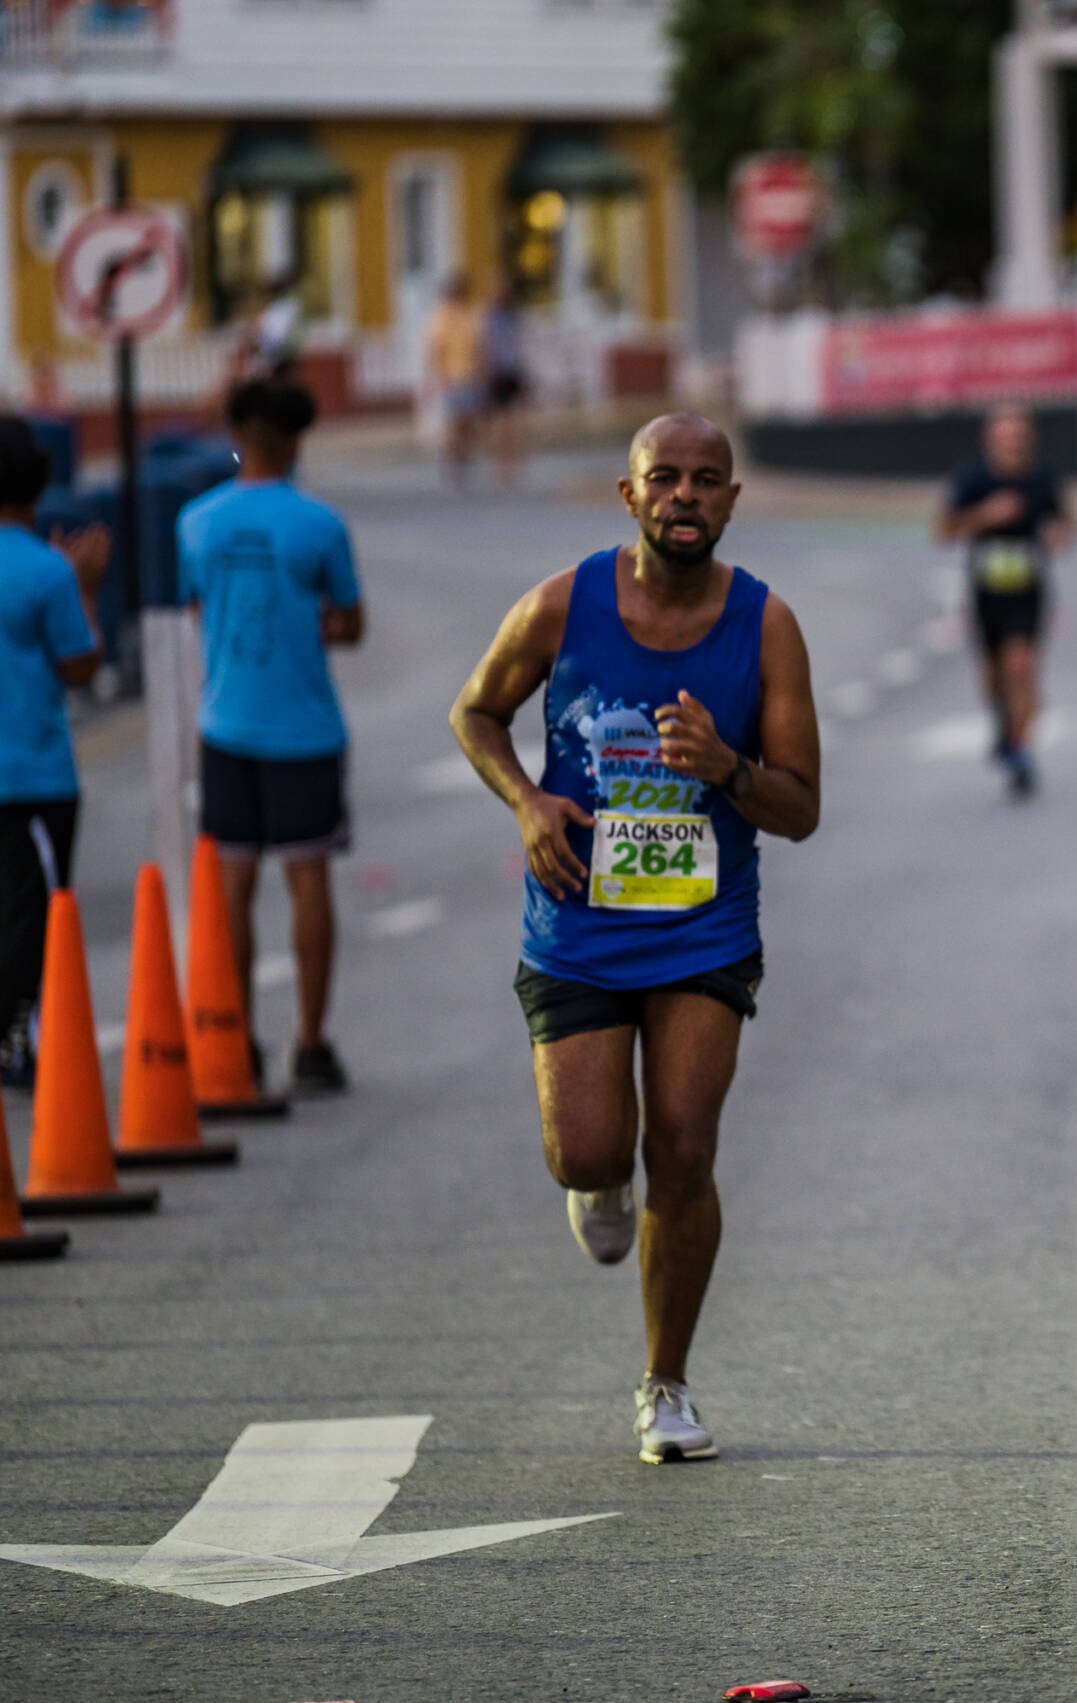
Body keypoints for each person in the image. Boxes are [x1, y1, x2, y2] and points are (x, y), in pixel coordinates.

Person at [448, 414, 821, 1464]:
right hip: (576, 920)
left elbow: (801, 806)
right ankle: (600, 1177)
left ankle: (666, 1381)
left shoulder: (767, 624)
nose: (685, 496)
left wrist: (730, 770)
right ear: (630, 495)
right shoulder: (563, 603)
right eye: (665, 478)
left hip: (703, 929)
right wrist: (526, 801)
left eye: (708, 480)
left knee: (686, 1147)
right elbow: (475, 712)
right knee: (591, 1148)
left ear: (733, 501)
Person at [179, 378, 364, 1096]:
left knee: (233, 880)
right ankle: (312, 1043)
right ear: (294, 442)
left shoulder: (194, 522)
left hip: (225, 721)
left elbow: (194, 607)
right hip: (305, 727)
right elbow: (350, 622)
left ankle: (236, 1038)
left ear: (235, 434)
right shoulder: (319, 524)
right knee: (307, 876)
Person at [0, 418, 108, 1089]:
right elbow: (79, 666)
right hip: (34, 776)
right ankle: (16, 1040)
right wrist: (87, 588)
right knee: (31, 916)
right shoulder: (47, 571)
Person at [938, 405, 1071, 797]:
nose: (1011, 445)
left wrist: (1055, 535)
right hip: (986, 591)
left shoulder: (1042, 478)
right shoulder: (973, 479)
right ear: (989, 440)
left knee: (1022, 667)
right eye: (1003, 437)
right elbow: (944, 529)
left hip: (1029, 590)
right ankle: (1003, 724)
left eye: (1017, 437)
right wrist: (984, 516)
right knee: (994, 674)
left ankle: (1021, 749)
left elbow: (1064, 526)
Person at [427, 273, 484, 486]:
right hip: (451, 378)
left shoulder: (469, 315)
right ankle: (450, 462)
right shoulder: (442, 317)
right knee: (453, 424)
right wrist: (439, 377)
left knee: (467, 424)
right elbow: (436, 350)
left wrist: (480, 371)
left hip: (470, 375)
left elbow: (478, 346)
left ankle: (462, 459)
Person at [481, 278, 531, 489]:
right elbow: (487, 345)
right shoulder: (491, 317)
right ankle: (501, 461)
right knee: (500, 420)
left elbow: (523, 342)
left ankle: (512, 458)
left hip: (513, 370)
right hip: (498, 372)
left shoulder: (515, 315)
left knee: (514, 419)